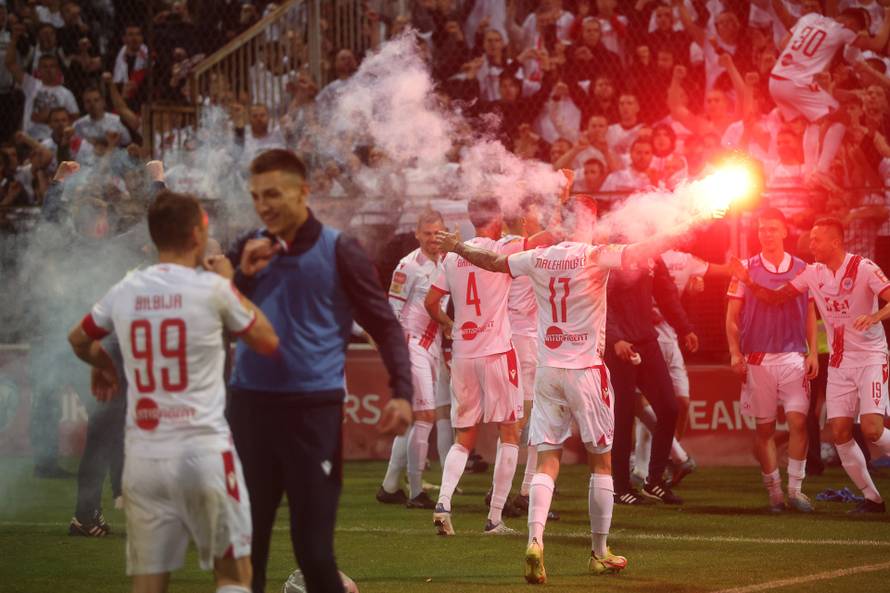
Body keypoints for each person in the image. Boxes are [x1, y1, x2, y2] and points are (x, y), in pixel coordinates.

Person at [67, 189, 280, 593]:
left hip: (145, 459)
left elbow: (78, 338)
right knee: (234, 574)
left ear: (153, 237)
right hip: (204, 452)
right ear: (199, 235)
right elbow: (268, 341)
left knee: (149, 583)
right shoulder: (213, 289)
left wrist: (104, 367)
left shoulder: (127, 288)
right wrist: (230, 284)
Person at [225, 149, 413, 593]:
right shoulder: (245, 247)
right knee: (246, 551)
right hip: (249, 410)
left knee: (313, 554)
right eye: (256, 196)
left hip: (312, 414)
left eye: (273, 194)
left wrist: (402, 392)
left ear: (304, 192)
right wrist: (243, 278)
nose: (264, 205)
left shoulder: (339, 249)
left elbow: (385, 325)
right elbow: (219, 316)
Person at [731, 217, 890, 513]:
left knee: (871, 429)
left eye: (817, 239)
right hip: (839, 364)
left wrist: (875, 316)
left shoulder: (864, 268)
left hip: (870, 357)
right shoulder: (812, 273)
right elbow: (775, 299)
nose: (810, 244)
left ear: (836, 242)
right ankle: (872, 499)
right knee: (840, 433)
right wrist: (748, 279)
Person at [424, 196, 550, 536]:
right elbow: (548, 239)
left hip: (464, 351)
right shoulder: (503, 250)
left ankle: (443, 503)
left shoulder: (452, 255)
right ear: (496, 218)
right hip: (497, 351)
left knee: (464, 435)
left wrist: (449, 326)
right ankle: (494, 519)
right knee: (510, 432)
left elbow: (431, 303)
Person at [725, 208, 819, 512]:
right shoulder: (744, 268)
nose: (766, 234)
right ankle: (774, 492)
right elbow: (731, 317)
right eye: (762, 229)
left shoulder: (803, 268)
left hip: (793, 355)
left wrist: (813, 351)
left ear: (783, 232)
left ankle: (795, 489)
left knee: (798, 421)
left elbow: (810, 315)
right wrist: (735, 351)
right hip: (757, 357)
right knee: (764, 430)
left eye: (772, 229)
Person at [606, 243, 699, 506]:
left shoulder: (651, 256)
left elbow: (666, 293)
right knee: (622, 416)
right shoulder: (613, 254)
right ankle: (620, 486)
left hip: (647, 341)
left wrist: (684, 328)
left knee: (669, 408)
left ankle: (654, 481)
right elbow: (599, 298)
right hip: (620, 347)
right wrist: (615, 339)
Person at [768, 6, 890, 187]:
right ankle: (821, 172)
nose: (854, 34)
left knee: (814, 121)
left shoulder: (809, 17)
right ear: (850, 24)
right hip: (797, 84)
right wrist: (887, 12)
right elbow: (878, 44)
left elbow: (783, 45)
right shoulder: (843, 30)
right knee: (842, 117)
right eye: (856, 29)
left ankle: (809, 175)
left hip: (776, 80)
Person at [377, 209, 448, 509]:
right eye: (428, 234)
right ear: (418, 234)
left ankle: (390, 486)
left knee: (416, 419)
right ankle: (416, 491)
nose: (433, 239)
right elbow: (392, 311)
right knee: (425, 416)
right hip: (411, 344)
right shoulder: (407, 266)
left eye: (437, 233)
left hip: (431, 345)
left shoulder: (447, 261)